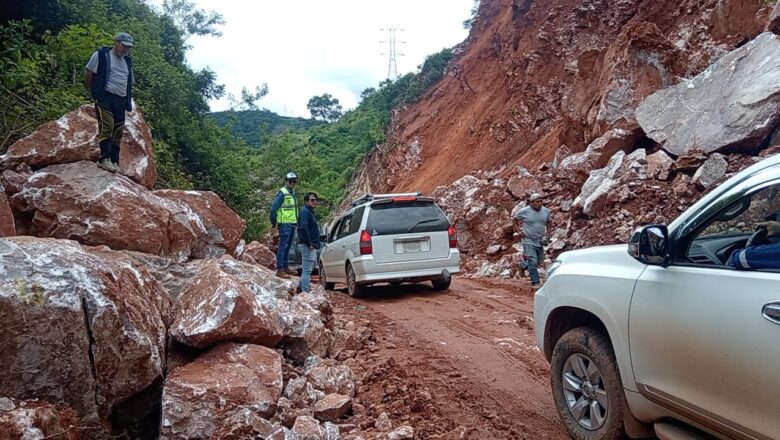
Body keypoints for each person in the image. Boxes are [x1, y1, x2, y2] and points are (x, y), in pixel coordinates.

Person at [85, 32, 135, 173]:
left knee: (118, 130)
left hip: (120, 99)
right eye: (124, 46)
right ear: (117, 43)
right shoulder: (101, 55)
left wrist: (127, 100)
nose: (126, 50)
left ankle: (114, 161)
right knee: (107, 125)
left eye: (128, 48)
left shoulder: (127, 61)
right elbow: (89, 72)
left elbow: (129, 81)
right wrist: (94, 92)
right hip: (105, 96)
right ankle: (103, 159)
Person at [513, 193, 551, 289]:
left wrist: (548, 235)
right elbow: (514, 219)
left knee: (538, 262)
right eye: (537, 202)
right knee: (533, 262)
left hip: (540, 241)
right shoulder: (524, 211)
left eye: (541, 201)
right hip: (528, 240)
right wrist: (518, 231)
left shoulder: (546, 211)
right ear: (531, 202)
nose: (540, 203)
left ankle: (522, 265)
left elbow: (549, 222)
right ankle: (535, 283)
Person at [269, 172, 299, 278]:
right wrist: (273, 222)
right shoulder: (282, 193)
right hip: (285, 224)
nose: (292, 183)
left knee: (288, 247)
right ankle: (280, 269)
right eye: (290, 181)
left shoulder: (292, 193)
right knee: (283, 247)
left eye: (294, 181)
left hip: (292, 223)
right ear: (286, 181)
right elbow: (273, 209)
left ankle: (286, 267)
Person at [297, 192, 321, 293]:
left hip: (308, 244)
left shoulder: (309, 212)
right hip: (307, 245)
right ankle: (305, 292)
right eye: (312, 200)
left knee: (307, 268)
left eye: (315, 200)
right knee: (307, 270)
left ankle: (300, 287)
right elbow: (302, 227)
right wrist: (309, 243)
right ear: (306, 201)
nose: (314, 202)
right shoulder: (305, 212)